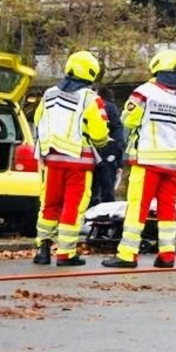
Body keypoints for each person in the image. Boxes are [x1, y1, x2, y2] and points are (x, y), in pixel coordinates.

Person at [103, 50, 176, 269]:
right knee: (167, 211)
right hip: (173, 165)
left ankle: (127, 254)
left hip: (147, 162)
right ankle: (166, 255)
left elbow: (128, 120)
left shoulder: (144, 92)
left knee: (138, 208)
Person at [31, 51, 111, 266]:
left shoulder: (48, 94)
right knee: (72, 207)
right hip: (79, 163)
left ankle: (43, 250)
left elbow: (38, 120)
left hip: (52, 160)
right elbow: (99, 133)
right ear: (91, 73)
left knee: (49, 205)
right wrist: (104, 145)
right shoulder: (90, 99)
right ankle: (66, 254)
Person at [90, 86, 125, 206]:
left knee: (90, 189)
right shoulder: (111, 107)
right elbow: (118, 132)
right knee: (107, 191)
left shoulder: (88, 104)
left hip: (89, 152)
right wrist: (119, 160)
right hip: (108, 153)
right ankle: (104, 219)